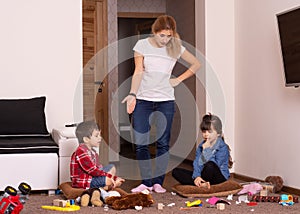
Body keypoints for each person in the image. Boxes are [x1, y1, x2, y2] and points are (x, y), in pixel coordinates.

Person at [122, 15, 201, 193]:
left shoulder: (176, 47)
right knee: (141, 143)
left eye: (169, 36)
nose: (165, 40)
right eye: (162, 35)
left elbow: (197, 64)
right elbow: (138, 71)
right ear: (154, 32)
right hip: (143, 100)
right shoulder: (142, 45)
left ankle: (158, 182)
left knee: (163, 143)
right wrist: (132, 94)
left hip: (165, 101)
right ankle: (146, 182)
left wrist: (178, 80)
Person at [172, 113, 233, 188]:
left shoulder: (222, 147)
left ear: (218, 133)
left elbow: (215, 166)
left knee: (210, 165)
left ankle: (201, 184)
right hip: (203, 174)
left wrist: (206, 150)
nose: (206, 134)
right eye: (204, 131)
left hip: (218, 177)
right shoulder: (201, 146)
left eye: (210, 131)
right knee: (176, 171)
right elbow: (197, 163)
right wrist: (197, 176)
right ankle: (202, 184)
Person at [70, 120, 125, 190]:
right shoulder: (81, 151)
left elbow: (99, 168)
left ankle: (108, 184)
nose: (100, 138)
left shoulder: (93, 152)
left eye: (100, 135)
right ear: (86, 139)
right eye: (96, 136)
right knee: (107, 179)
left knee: (111, 167)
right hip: (84, 181)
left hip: (92, 177)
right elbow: (93, 171)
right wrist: (111, 177)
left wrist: (113, 177)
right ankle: (108, 185)